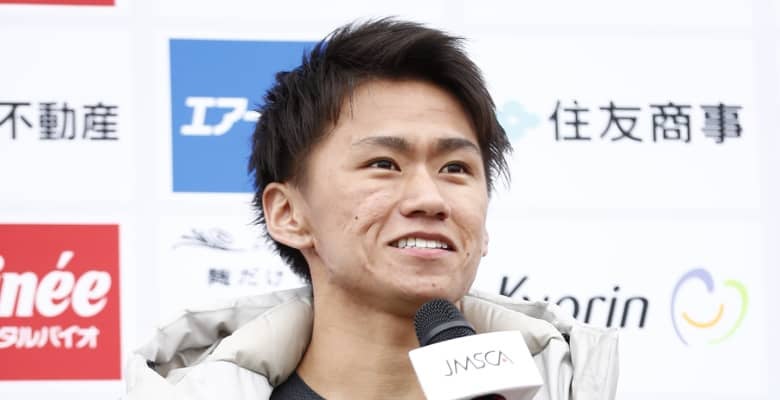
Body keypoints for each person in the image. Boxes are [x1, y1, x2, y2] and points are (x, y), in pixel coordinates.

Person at [125, 19, 618, 400]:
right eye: (384, 164)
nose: (430, 199)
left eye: (455, 169)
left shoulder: (570, 387)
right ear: (288, 214)